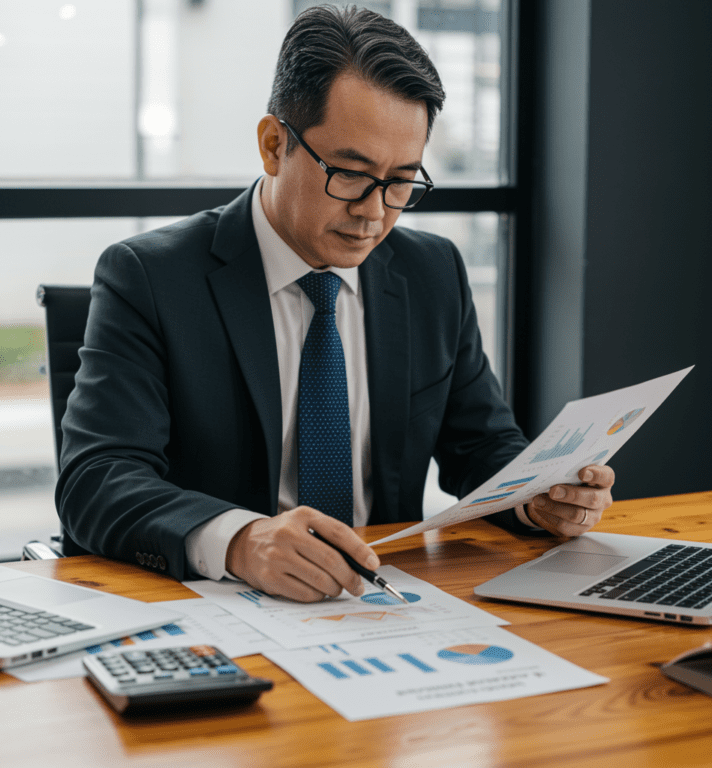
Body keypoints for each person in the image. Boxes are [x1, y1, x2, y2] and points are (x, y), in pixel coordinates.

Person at [56, 5, 614, 602]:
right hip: (216, 610)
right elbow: (97, 479)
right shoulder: (150, 277)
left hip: (387, 602)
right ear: (274, 146)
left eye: (402, 180)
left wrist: (539, 498)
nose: (375, 212)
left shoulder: (432, 273)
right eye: (350, 173)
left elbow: (481, 446)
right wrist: (242, 540)